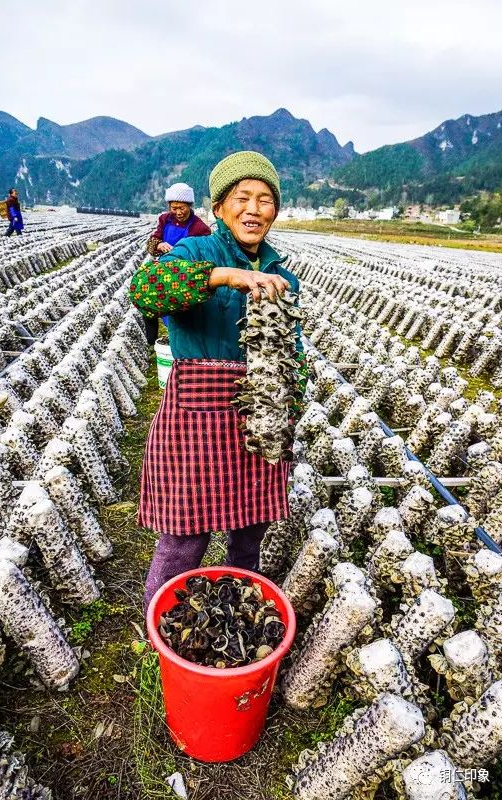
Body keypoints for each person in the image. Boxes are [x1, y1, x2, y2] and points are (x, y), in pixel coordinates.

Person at [129, 151, 308, 613]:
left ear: (276, 210)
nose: (254, 209)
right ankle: (160, 631)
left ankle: (240, 619)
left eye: (265, 199)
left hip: (260, 415)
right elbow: (145, 290)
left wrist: (292, 406)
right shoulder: (197, 250)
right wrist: (224, 276)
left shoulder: (281, 275)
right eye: (242, 198)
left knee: (251, 530)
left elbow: (294, 351)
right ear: (220, 208)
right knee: (186, 535)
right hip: (196, 412)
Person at [143, 182, 211, 343]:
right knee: (147, 302)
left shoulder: (199, 228)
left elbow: (204, 254)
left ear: (190, 205)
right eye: (174, 208)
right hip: (164, 269)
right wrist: (159, 245)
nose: (178, 212)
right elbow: (152, 242)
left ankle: (180, 342)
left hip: (184, 275)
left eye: (182, 208)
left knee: (179, 310)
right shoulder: (165, 220)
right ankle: (152, 342)